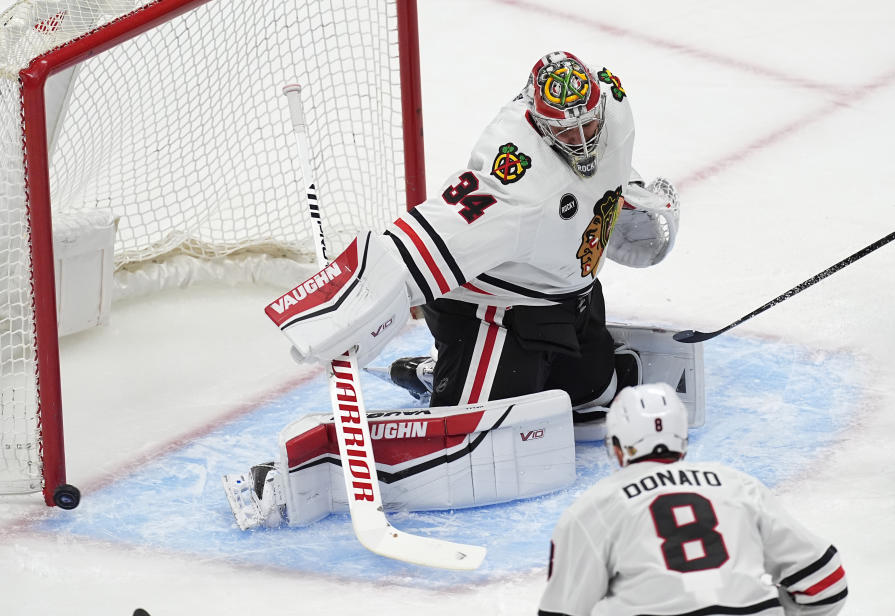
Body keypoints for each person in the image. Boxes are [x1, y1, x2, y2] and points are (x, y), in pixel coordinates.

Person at [276, 49, 681, 428]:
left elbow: (608, 165)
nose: (583, 140)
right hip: (495, 311)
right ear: (540, 124)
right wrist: (342, 310)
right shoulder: (514, 179)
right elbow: (422, 243)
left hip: (569, 297)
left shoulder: (614, 101)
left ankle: (449, 372)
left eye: (589, 125)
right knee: (476, 432)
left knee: (596, 394)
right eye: (567, 132)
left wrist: (629, 191)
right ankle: (454, 374)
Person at [538, 383, 848, 616]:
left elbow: (562, 612)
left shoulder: (595, 507)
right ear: (683, 441)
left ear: (618, 447)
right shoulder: (738, 485)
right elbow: (827, 581)